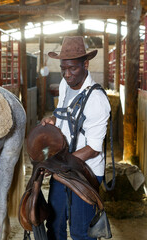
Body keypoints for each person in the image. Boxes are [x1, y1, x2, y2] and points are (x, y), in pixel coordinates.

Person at [41, 36, 111, 240]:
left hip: (84, 171)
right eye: (63, 68)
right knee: (54, 225)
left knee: (81, 232)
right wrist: (52, 119)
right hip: (63, 166)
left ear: (86, 64)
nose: (67, 74)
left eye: (73, 68)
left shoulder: (96, 99)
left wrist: (57, 163)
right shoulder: (65, 84)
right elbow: (65, 112)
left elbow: (93, 148)